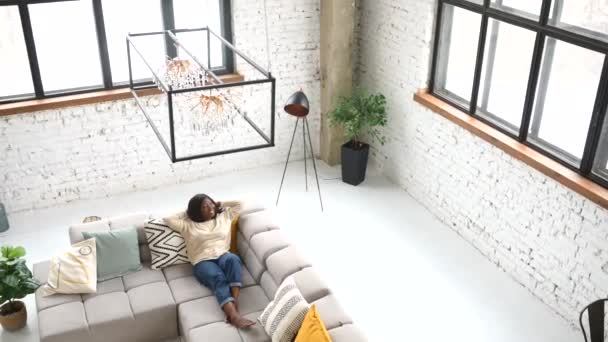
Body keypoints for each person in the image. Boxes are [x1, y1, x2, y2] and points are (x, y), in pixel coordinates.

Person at [164, 194, 255, 328]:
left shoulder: (224, 216)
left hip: (223, 255)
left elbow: (240, 203)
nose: (210, 208)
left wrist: (219, 203)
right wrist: (188, 213)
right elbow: (168, 219)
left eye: (210, 204)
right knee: (218, 277)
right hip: (202, 261)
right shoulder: (187, 225)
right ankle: (235, 316)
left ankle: (234, 305)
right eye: (204, 207)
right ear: (196, 211)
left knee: (233, 259)